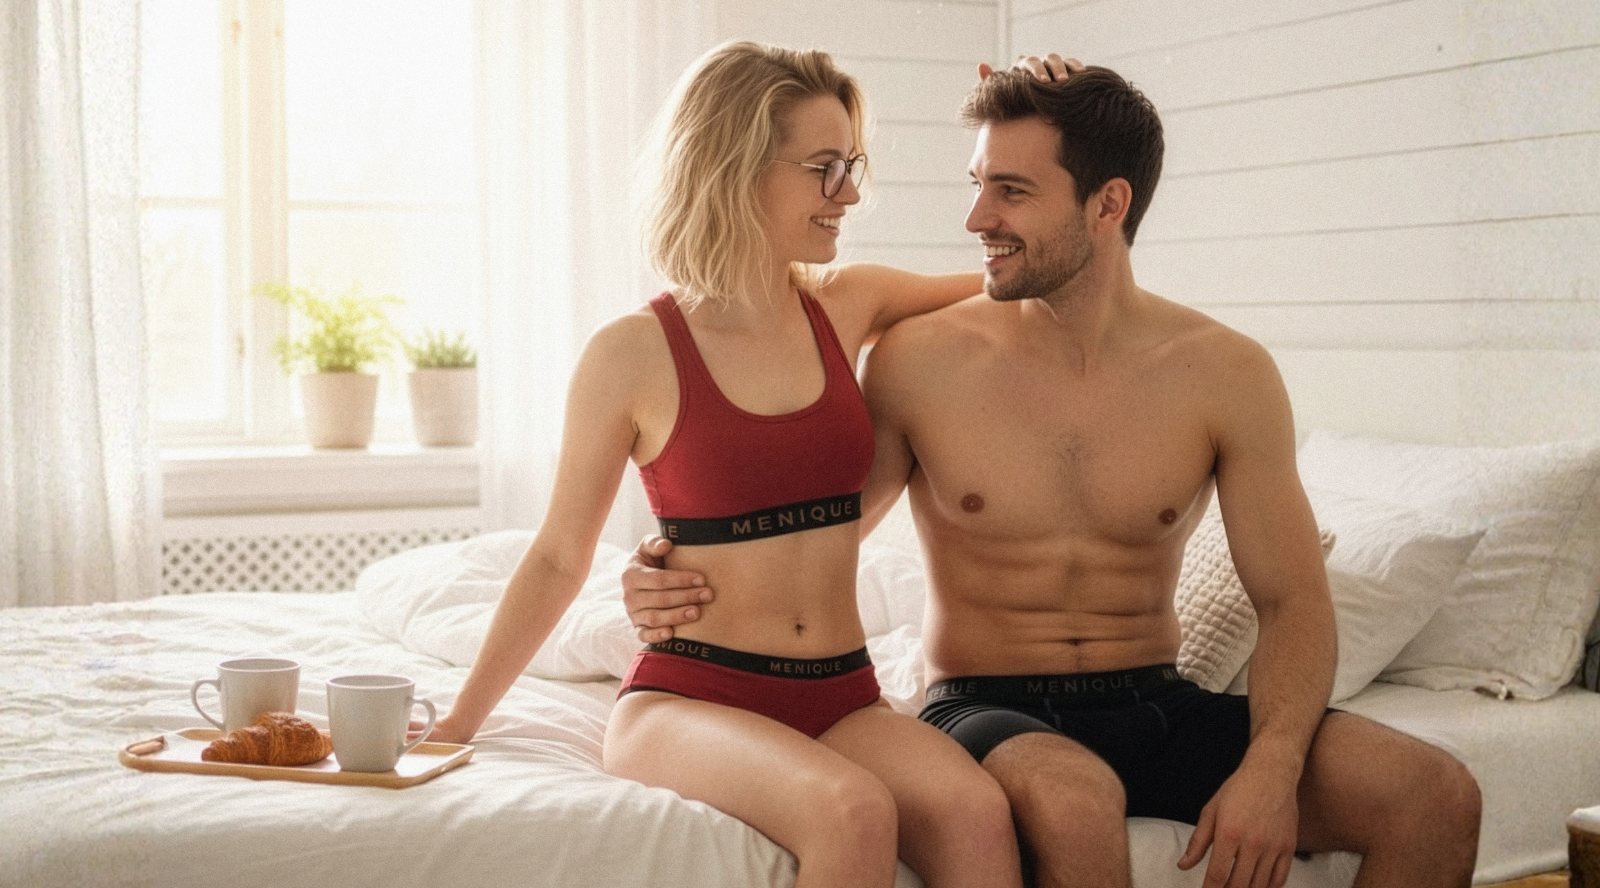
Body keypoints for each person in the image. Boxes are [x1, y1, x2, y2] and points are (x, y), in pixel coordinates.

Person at [621, 56, 1484, 888]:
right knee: (1076, 802)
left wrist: (1271, 767)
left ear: (1109, 203)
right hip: (982, 706)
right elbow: (809, 527)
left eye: (1012, 191)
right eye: (977, 183)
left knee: (1436, 797)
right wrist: (666, 571)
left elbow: (1293, 600)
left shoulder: (1225, 372)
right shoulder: (921, 359)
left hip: (1156, 697)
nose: (976, 219)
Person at [427, 40, 1024, 888]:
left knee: (977, 814)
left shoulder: (848, 303)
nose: (849, 193)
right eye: (823, 168)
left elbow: (1017, 280)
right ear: (733, 167)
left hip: (842, 692)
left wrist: (1047, 107)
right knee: (853, 812)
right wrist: (459, 721)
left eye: (851, 165)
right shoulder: (629, 353)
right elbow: (560, 554)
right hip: (691, 699)